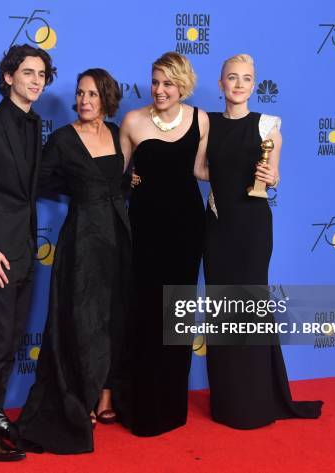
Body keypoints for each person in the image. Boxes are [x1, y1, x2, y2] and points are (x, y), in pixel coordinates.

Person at [14, 68, 133, 454]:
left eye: (92, 94)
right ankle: (79, 397)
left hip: (121, 235)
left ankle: (107, 396)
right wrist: (82, 190)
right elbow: (40, 181)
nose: (84, 100)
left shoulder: (119, 134)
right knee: (83, 319)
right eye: (80, 94)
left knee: (117, 316)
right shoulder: (63, 139)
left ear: (106, 99)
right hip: (82, 239)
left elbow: (129, 175)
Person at [202, 53, 323, 429]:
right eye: (232, 78)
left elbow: (275, 176)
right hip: (217, 225)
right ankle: (227, 400)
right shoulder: (206, 123)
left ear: (254, 86)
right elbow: (200, 169)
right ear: (221, 83)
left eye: (246, 79)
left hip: (253, 226)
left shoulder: (269, 126)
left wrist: (271, 176)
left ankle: (254, 401)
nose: (239, 84)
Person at [0, 44, 56, 461]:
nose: (36, 80)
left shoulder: (35, 124)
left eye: (41, 74)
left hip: (25, 245)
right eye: (28, 73)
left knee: (14, 338)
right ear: (8, 78)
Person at [119, 52, 209, 437]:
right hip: (143, 230)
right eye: (155, 82)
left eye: (168, 83)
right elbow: (115, 175)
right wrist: (129, 183)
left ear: (182, 85)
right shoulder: (133, 121)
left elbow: (201, 171)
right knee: (144, 314)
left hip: (187, 230)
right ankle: (140, 407)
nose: (159, 89)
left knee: (176, 318)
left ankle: (172, 407)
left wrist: (257, 170)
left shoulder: (200, 119)